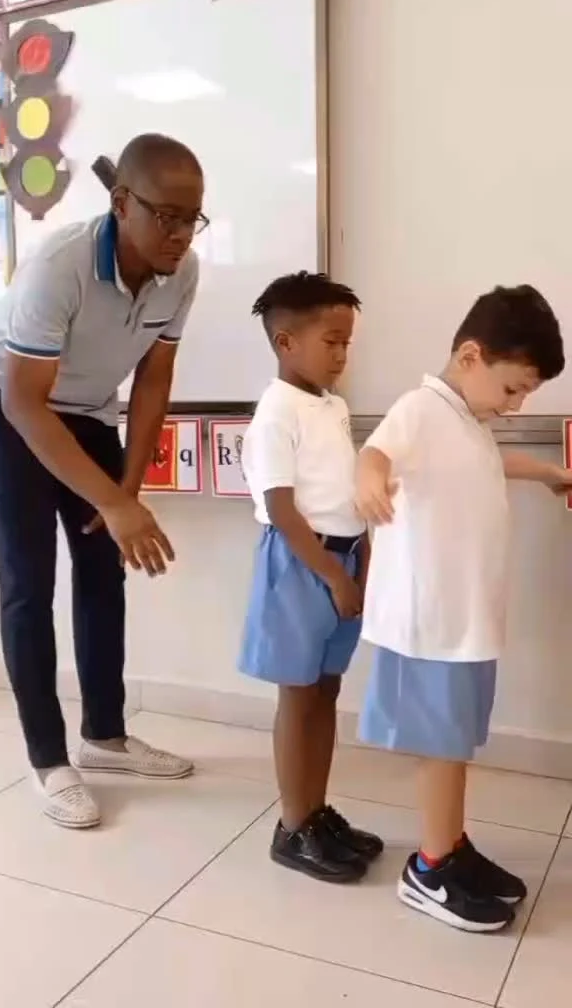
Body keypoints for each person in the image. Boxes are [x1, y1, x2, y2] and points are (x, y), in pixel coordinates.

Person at [0, 133, 208, 829]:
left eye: (192, 219)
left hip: (88, 411)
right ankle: (48, 759)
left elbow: (153, 381)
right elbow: (23, 403)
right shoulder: (60, 266)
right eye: (166, 217)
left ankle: (104, 737)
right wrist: (112, 499)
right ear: (122, 203)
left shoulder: (182, 272)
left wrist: (124, 496)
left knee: (103, 567)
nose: (180, 235)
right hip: (7, 407)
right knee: (28, 579)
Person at [356, 284, 570, 932]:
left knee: (457, 742)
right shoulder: (421, 408)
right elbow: (376, 451)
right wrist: (369, 479)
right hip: (431, 624)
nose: (516, 404)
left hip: (464, 622)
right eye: (513, 389)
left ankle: (451, 846)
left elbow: (490, 462)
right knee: (442, 747)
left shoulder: (467, 421)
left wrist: (550, 473)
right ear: (471, 356)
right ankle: (429, 869)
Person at [239, 271, 383, 883]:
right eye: (331, 342)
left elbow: (345, 490)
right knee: (298, 697)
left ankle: (316, 813)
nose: (342, 354)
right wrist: (334, 577)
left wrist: (363, 561)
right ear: (285, 342)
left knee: (326, 690)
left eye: (347, 342)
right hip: (303, 564)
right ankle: (293, 826)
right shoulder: (276, 412)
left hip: (342, 560)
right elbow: (282, 510)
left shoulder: (333, 405)